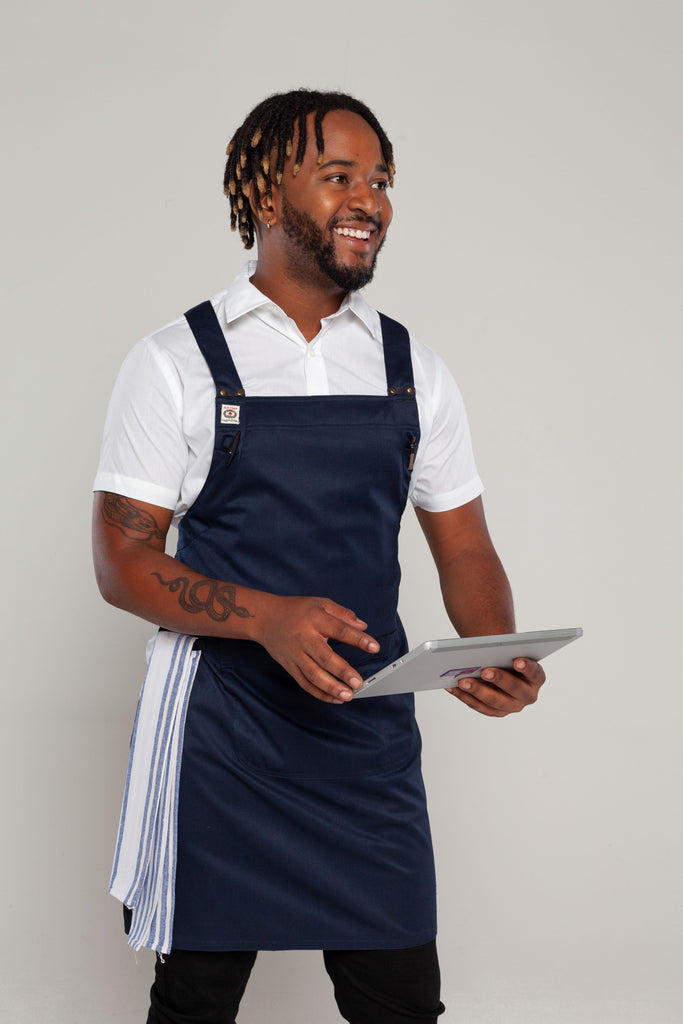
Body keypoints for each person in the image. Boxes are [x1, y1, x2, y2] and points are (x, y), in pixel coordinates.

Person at [93, 88, 545, 1024]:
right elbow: (121, 562)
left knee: (400, 1002)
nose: (368, 200)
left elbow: (463, 544)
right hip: (221, 738)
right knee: (196, 1001)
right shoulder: (176, 362)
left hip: (365, 739)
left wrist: (490, 647)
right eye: (338, 176)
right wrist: (268, 617)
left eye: (379, 180)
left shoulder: (410, 369)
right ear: (265, 195)